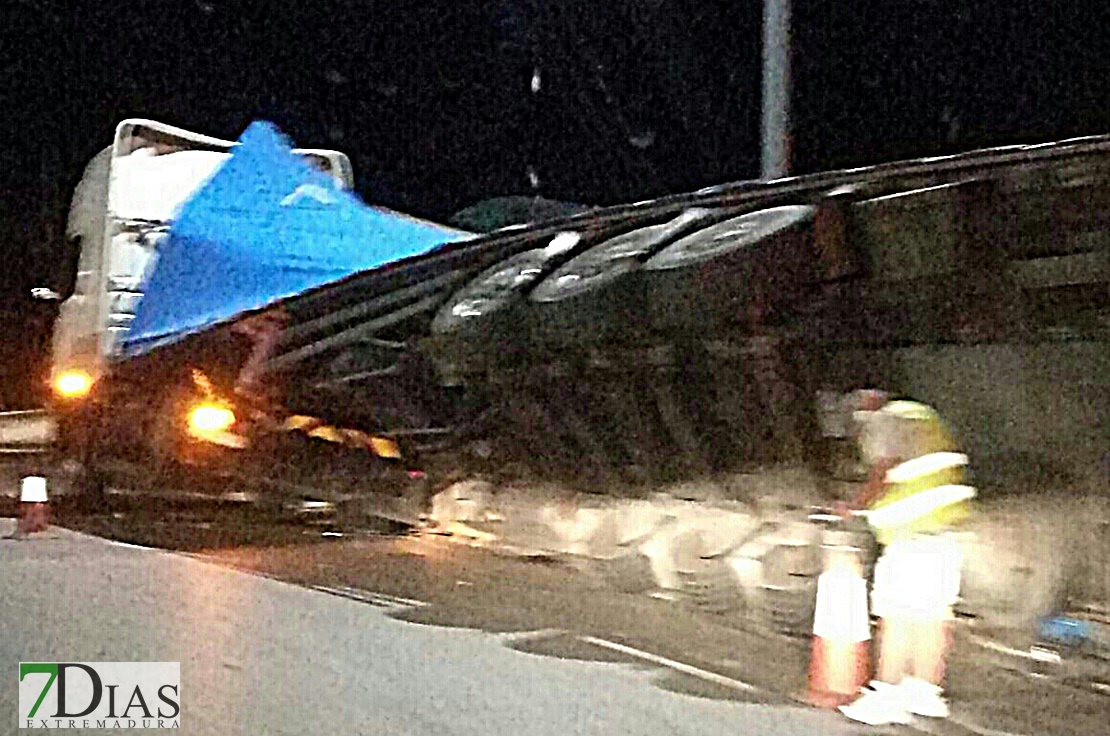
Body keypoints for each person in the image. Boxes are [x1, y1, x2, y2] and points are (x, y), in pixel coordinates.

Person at [837, 390, 976, 726]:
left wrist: (854, 506)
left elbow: (885, 467)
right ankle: (925, 692)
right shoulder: (923, 416)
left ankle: (885, 695)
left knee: (897, 616)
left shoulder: (883, 420)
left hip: (911, 535)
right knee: (932, 616)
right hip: (947, 531)